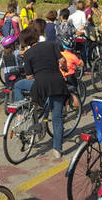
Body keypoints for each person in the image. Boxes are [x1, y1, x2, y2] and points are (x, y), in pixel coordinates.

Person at [24, 24, 69, 159]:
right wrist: (65, 68)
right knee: (57, 118)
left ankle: (23, 113)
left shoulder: (28, 54)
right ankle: (57, 150)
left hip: (40, 85)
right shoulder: (51, 44)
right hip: (57, 82)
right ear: (38, 35)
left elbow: (29, 77)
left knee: (20, 86)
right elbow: (62, 60)